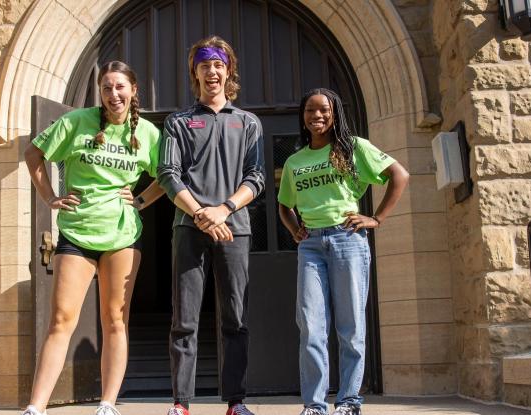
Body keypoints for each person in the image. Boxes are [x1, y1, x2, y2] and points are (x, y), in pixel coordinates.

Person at [21, 60, 165, 415]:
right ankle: (35, 407)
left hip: (122, 235)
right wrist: (50, 197)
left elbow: (167, 175)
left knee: (115, 319)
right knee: (61, 319)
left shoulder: (147, 132)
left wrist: (142, 199)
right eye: (106, 88)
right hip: (77, 232)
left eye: (119, 87)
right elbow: (32, 153)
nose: (113, 94)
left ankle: (107, 403)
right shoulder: (76, 122)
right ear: (100, 93)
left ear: (133, 91)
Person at [277, 88, 409, 415]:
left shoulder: (353, 148)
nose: (317, 116)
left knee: (350, 328)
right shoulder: (295, 161)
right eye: (310, 111)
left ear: (335, 113)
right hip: (311, 247)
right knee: (310, 324)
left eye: (324, 110)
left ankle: (349, 401)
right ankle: (315, 405)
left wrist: (376, 217)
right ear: (303, 117)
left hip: (347, 239)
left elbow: (399, 175)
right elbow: (284, 205)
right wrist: (295, 229)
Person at [157, 36, 264, 415]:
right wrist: (202, 214)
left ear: (228, 70)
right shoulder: (178, 122)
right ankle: (181, 404)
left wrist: (224, 209)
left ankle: (236, 403)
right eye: (204, 64)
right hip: (188, 229)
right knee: (184, 320)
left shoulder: (247, 123)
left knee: (235, 318)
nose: (212, 71)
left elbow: (256, 178)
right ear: (195, 72)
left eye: (218, 64)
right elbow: (168, 174)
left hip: (235, 228)